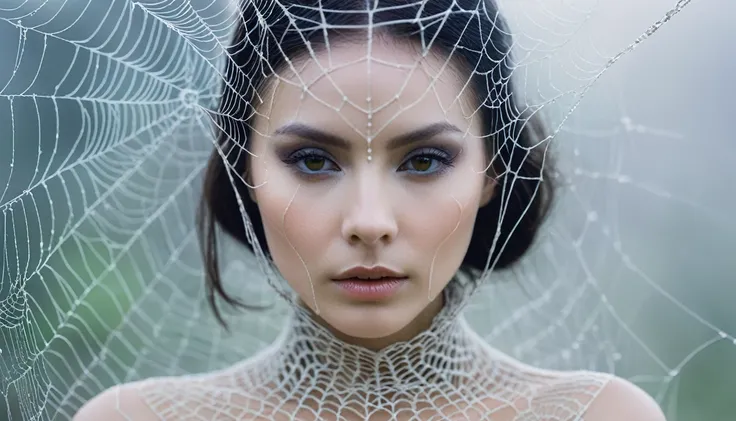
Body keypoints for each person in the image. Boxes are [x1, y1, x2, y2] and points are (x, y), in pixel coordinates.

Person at [75, 0, 666, 419]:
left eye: (425, 160)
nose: (369, 222)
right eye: (312, 161)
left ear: (492, 170)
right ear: (244, 169)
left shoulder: (599, 415)